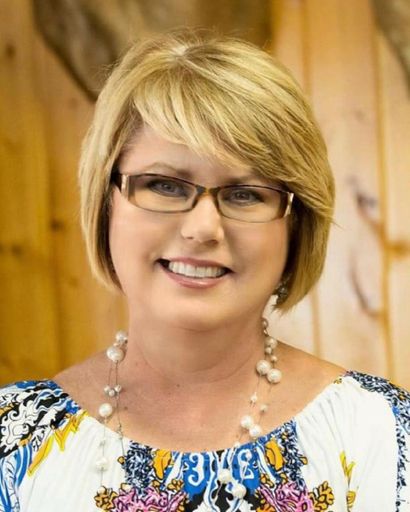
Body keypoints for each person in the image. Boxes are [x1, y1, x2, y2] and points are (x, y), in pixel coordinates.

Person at [0, 29, 409, 512]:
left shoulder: (383, 433)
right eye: (165, 185)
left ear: (296, 225)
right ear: (105, 205)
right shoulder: (13, 442)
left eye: (246, 194)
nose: (202, 229)